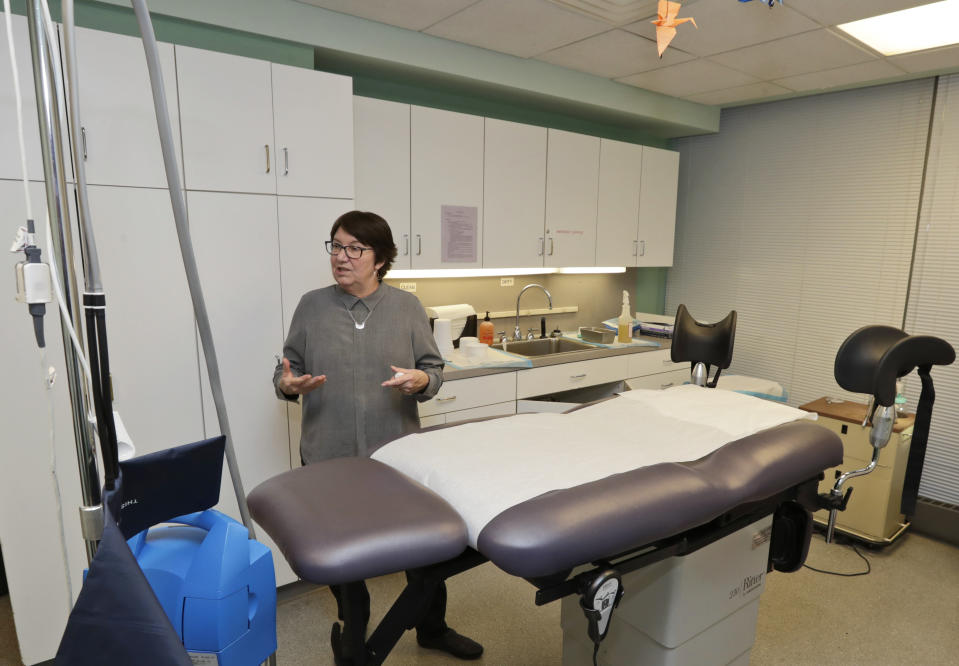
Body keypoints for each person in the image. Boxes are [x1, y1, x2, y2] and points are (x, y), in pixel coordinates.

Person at [273, 210, 483, 663]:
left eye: (354, 248)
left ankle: (433, 628)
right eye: (335, 246)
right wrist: (287, 385)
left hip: (397, 456)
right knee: (344, 558)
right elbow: (284, 368)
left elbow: (433, 369)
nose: (341, 257)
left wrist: (422, 382)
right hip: (328, 459)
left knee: (424, 552)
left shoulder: (406, 307)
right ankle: (354, 633)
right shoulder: (312, 305)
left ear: (380, 258)